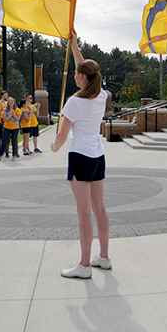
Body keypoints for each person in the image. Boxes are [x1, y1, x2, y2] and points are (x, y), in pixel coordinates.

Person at [52, 29, 111, 279]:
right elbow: (86, 69)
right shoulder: (102, 95)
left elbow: (63, 136)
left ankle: (85, 266)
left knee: (84, 213)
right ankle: (104, 258)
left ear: (80, 77)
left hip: (80, 157)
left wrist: (54, 147)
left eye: (77, 73)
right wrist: (75, 46)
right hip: (97, 156)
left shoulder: (74, 102)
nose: (75, 75)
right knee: (99, 208)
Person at [0, 97, 21, 161]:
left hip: (15, 128)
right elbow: (4, 119)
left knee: (14, 142)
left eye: (12, 101)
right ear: (8, 103)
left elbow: (17, 119)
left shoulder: (17, 110)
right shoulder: (5, 110)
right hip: (7, 127)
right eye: (9, 101)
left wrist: (14, 114)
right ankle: (0, 155)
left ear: (14, 103)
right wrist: (10, 115)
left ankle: (14, 155)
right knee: (4, 141)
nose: (11, 102)